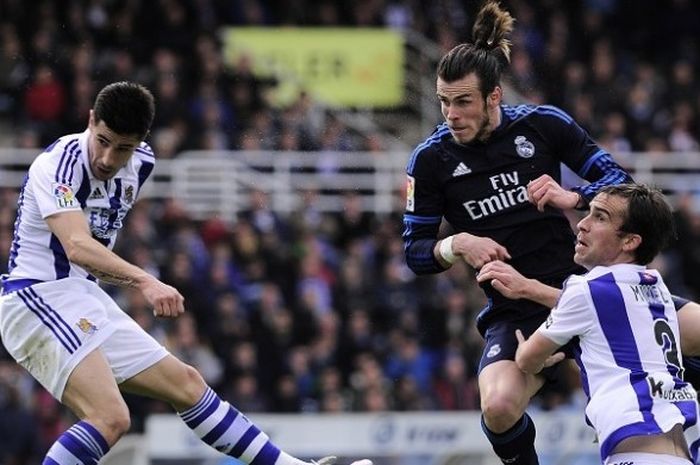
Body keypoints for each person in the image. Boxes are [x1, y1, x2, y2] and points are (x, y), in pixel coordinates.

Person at [0, 81, 371, 465]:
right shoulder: (59, 163)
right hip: (35, 296)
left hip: (81, 297)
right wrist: (144, 279)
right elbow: (76, 245)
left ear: (140, 141)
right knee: (110, 417)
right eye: (103, 140)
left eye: (123, 147)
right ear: (91, 120)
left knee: (187, 384)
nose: (109, 158)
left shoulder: (141, 164)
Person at [401, 2, 633, 464]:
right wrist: (458, 243)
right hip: (515, 310)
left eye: (463, 101)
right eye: (444, 101)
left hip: (583, 290)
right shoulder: (430, 161)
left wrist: (575, 197)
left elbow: (622, 186)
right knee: (499, 406)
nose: (451, 114)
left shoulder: (544, 125)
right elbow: (415, 252)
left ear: (494, 97)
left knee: (695, 334)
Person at [515, 184, 700, 465]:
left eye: (600, 217)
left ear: (630, 241)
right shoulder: (656, 286)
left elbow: (528, 360)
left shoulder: (585, 289)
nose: (583, 224)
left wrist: (524, 350)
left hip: (638, 455)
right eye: (587, 213)